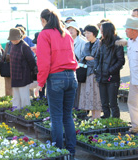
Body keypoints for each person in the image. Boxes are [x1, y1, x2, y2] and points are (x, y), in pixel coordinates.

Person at [35, 9, 78, 158]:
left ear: (43, 20)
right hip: (71, 76)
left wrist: (40, 83)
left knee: (57, 117)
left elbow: (44, 62)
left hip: (56, 77)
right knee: (67, 116)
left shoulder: (44, 34)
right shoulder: (65, 33)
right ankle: (71, 151)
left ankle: (58, 151)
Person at [94, 22, 125, 119]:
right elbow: (97, 57)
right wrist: (97, 69)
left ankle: (115, 122)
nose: (101, 32)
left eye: (102, 31)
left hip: (112, 77)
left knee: (113, 103)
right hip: (101, 75)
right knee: (104, 102)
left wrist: (110, 71)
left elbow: (121, 61)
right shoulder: (101, 42)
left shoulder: (117, 42)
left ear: (107, 31)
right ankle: (106, 120)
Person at [8, 28, 36, 109]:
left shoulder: (24, 46)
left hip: (23, 76)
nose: (13, 40)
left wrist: (32, 73)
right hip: (14, 75)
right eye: (12, 39)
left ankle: (26, 113)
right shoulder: (12, 45)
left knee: (24, 98)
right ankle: (16, 112)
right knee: (16, 97)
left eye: (15, 39)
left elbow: (31, 61)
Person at [79, 25, 102, 120]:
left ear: (94, 33)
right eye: (85, 33)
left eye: (88, 33)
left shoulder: (99, 44)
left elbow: (98, 60)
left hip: (96, 73)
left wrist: (88, 59)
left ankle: (97, 117)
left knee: (97, 95)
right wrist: (86, 58)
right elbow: (82, 58)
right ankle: (93, 117)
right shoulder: (86, 44)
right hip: (87, 73)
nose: (86, 35)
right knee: (90, 95)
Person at [66, 21, 87, 108]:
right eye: (68, 29)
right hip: (69, 70)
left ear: (77, 30)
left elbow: (84, 57)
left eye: (72, 29)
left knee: (79, 91)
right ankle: (73, 108)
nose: (70, 31)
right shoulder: (66, 41)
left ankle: (78, 108)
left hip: (79, 69)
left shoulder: (83, 42)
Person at [124, 17, 138, 133]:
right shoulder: (130, 41)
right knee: (132, 103)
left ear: (134, 30)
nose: (125, 31)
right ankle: (135, 126)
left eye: (127, 29)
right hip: (134, 80)